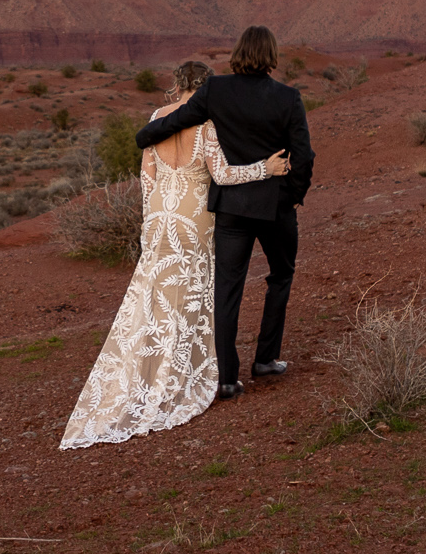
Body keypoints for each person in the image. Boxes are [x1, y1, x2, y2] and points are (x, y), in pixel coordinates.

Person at [59, 60, 291, 448]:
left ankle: (146, 373)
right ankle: (182, 375)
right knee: (192, 297)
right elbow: (223, 176)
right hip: (194, 218)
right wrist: (265, 169)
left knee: (154, 300)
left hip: (161, 219)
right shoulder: (207, 125)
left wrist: (149, 226)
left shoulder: (157, 118)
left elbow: (146, 179)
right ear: (205, 89)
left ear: (176, 85)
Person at [130, 25, 314, 399]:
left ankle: (226, 379)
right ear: (272, 56)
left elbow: (174, 122)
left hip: (231, 209)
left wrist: (144, 136)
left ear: (238, 53)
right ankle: (265, 360)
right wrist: (292, 196)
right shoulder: (288, 97)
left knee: (228, 287)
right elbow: (304, 157)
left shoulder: (216, 90)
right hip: (275, 206)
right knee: (280, 276)